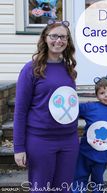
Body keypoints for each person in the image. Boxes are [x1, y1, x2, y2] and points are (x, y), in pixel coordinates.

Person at [13, 19, 79, 193]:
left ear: (68, 41)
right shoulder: (31, 69)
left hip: (69, 140)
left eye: (63, 37)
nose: (59, 40)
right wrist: (18, 147)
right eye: (54, 36)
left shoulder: (69, 69)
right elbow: (20, 111)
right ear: (45, 38)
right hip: (40, 140)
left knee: (63, 189)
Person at [73, 74, 107, 193]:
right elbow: (71, 109)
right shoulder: (89, 107)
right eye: (102, 93)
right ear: (97, 96)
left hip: (102, 156)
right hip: (85, 152)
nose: (106, 95)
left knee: (98, 181)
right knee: (79, 178)